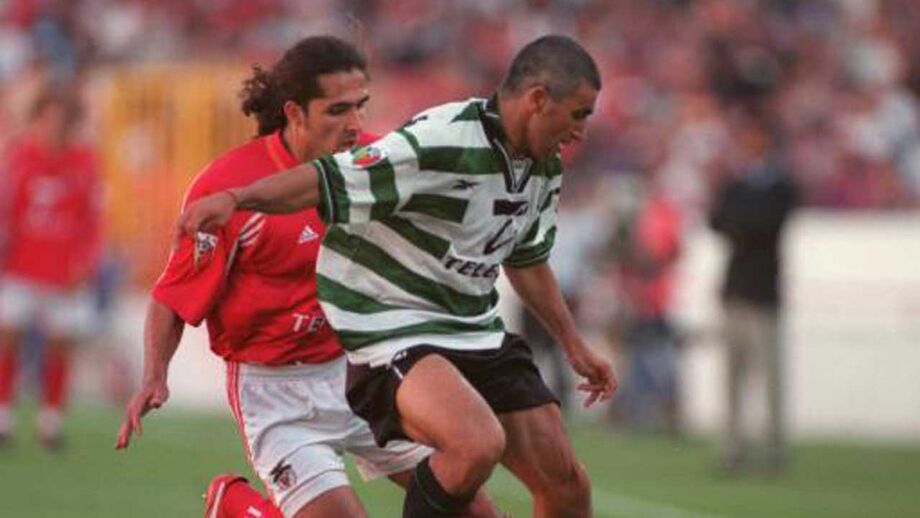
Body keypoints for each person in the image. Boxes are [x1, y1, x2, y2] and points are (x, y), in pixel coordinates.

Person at [177, 35, 617, 517]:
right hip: (390, 328)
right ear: (537, 99)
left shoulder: (544, 166)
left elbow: (526, 258)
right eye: (579, 114)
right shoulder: (443, 140)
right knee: (476, 444)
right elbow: (328, 180)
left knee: (567, 485)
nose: (582, 131)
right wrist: (237, 199)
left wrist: (574, 345)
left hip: (471, 328)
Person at [114, 36, 497, 518]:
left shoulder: (374, 163)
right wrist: (154, 375)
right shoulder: (228, 189)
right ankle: (234, 505)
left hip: (362, 369)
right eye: (337, 110)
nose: (354, 123)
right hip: (276, 393)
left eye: (360, 106)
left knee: (475, 508)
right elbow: (173, 294)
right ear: (295, 113)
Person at [0, 88, 102, 450]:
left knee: (60, 344)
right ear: (37, 119)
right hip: (21, 264)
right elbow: (7, 210)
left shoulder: (84, 161)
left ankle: (51, 421)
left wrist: (86, 260)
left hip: (64, 269)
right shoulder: (20, 156)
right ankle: (3, 415)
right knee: (7, 336)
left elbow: (92, 217)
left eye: (61, 119)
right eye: (48, 118)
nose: (54, 126)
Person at [708, 114, 798, 474]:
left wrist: (739, 224)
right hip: (738, 291)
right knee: (733, 376)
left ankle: (774, 447)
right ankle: (733, 447)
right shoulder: (738, 184)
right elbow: (717, 220)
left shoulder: (780, 187)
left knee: (769, 376)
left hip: (762, 293)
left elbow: (761, 224)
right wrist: (743, 224)